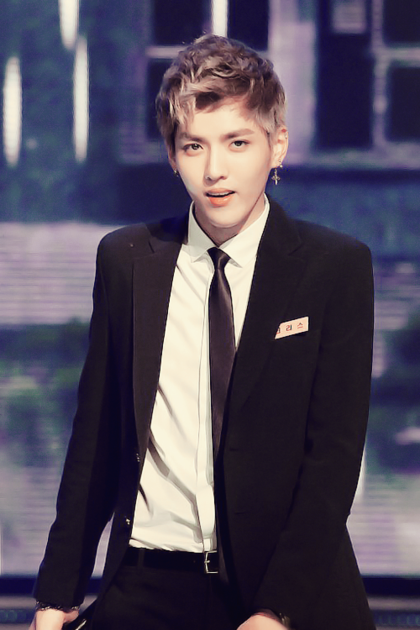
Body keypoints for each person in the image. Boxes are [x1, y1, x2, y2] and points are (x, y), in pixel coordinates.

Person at [29, 34, 376, 630]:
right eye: (194, 146)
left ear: (277, 144)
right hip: (147, 580)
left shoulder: (333, 267)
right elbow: (96, 440)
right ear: (172, 155)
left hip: (282, 587)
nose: (215, 170)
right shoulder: (127, 260)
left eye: (237, 142)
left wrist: (275, 611)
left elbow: (334, 459)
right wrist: (56, 594)